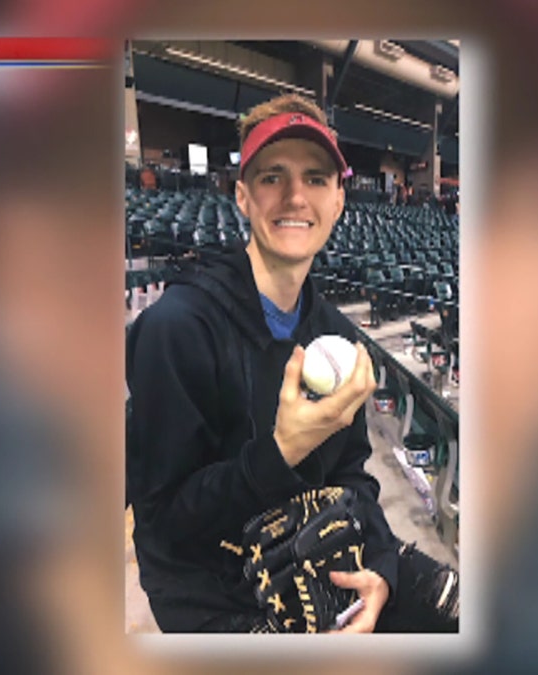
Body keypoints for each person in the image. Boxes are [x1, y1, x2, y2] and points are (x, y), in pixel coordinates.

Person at [126, 94, 458, 634]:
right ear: (242, 196)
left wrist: (379, 568)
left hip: (321, 544)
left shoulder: (332, 333)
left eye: (316, 178)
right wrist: (279, 455)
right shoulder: (177, 328)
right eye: (272, 177)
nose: (296, 196)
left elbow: (353, 474)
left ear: (338, 201)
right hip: (214, 591)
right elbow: (165, 529)